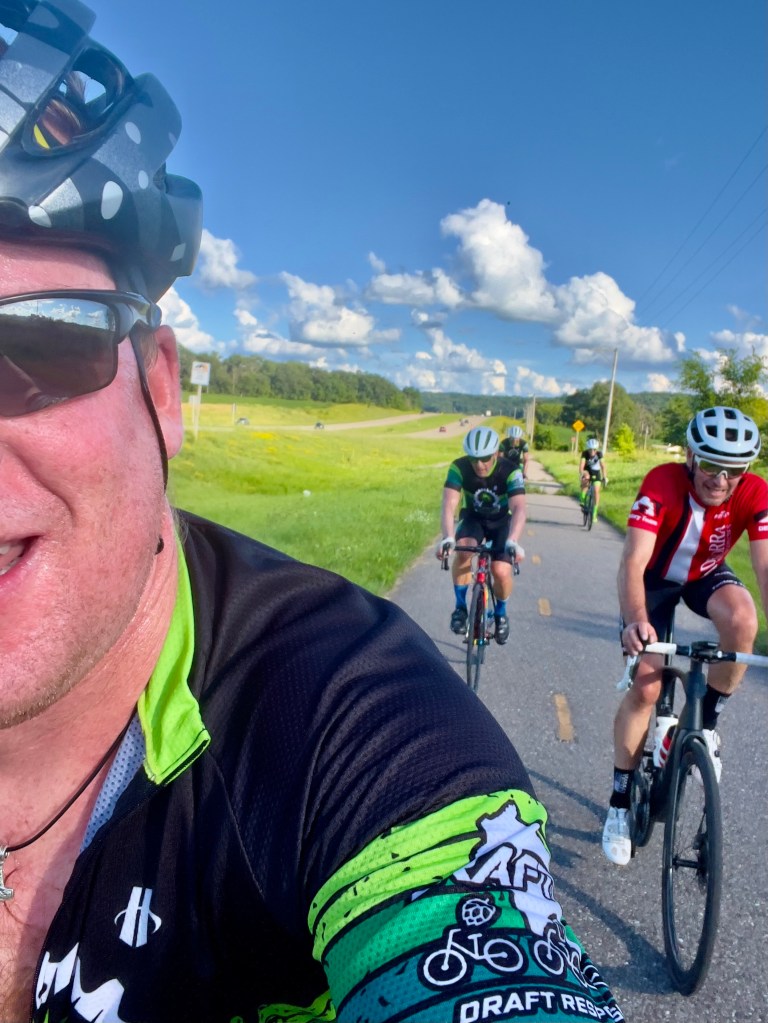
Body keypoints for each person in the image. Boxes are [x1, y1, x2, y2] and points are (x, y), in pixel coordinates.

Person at [0, 5, 624, 1022]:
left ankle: (495, 607)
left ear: (161, 390)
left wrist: (496, 550)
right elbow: (454, 503)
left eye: (34, 342)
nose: (479, 463)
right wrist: (457, 538)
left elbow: (476, 960)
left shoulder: (349, 722)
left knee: (499, 565)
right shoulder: (461, 471)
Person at [602, 406, 768, 866]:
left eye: (734, 469)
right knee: (646, 686)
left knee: (743, 620)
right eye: (711, 464)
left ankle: (706, 727)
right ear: (691, 457)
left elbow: (765, 567)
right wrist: (636, 620)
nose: (720, 479)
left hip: (704, 575)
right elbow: (632, 562)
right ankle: (619, 803)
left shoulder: (755, 492)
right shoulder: (661, 483)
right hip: (653, 581)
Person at [437, 426, 526, 645]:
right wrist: (447, 537)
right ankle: (460, 608)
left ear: (495, 453)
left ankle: (501, 614)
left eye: (485, 458)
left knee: (500, 570)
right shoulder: (459, 467)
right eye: (473, 458)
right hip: (473, 519)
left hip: (501, 522)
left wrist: (513, 540)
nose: (479, 464)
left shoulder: (510, 470)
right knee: (463, 551)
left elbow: (519, 508)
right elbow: (449, 504)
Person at [578, 437, 607, 522]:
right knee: (586, 478)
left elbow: (603, 466)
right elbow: (581, 465)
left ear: (596, 449)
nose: (592, 452)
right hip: (587, 470)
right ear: (588, 449)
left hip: (596, 472)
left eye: (594, 450)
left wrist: (604, 477)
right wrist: (582, 473)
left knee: (596, 492)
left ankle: (594, 513)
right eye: (590, 450)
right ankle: (582, 498)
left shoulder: (599, 454)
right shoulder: (584, 454)